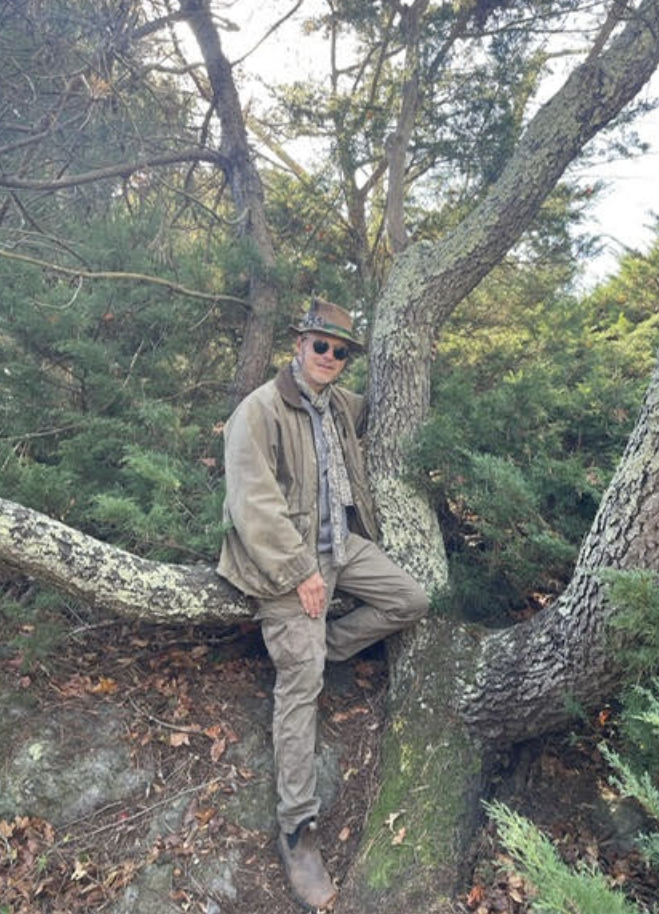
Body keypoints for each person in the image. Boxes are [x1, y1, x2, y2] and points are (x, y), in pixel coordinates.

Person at [217, 298, 429, 910]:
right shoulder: (257, 412)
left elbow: (378, 410)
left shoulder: (338, 404)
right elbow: (252, 504)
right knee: (301, 690)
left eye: (341, 352)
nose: (331, 358)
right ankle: (297, 831)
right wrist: (300, 569)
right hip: (285, 564)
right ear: (299, 342)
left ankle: (316, 649)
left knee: (408, 599)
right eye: (322, 346)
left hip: (343, 544)